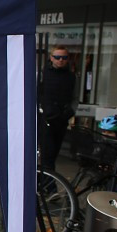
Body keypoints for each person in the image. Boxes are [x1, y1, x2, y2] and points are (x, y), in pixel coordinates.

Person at [38, 44, 75, 172]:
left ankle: (45, 181)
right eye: (57, 57)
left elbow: (75, 97)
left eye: (64, 57)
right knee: (47, 153)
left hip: (61, 119)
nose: (61, 60)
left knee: (53, 154)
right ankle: (48, 184)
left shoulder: (71, 76)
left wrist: (70, 112)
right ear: (51, 58)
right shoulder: (42, 74)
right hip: (45, 119)